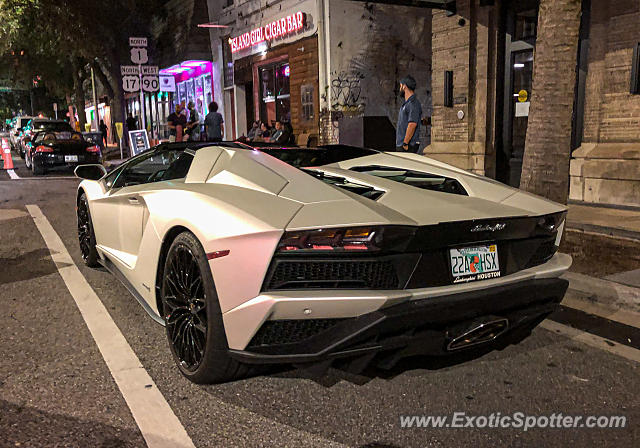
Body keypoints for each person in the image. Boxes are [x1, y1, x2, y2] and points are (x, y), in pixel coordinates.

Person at [396, 75, 422, 153]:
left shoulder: (413, 103)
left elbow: (412, 124)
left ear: (404, 86)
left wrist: (405, 143)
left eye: (400, 86)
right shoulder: (407, 104)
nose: (400, 89)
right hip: (403, 144)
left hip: (408, 145)